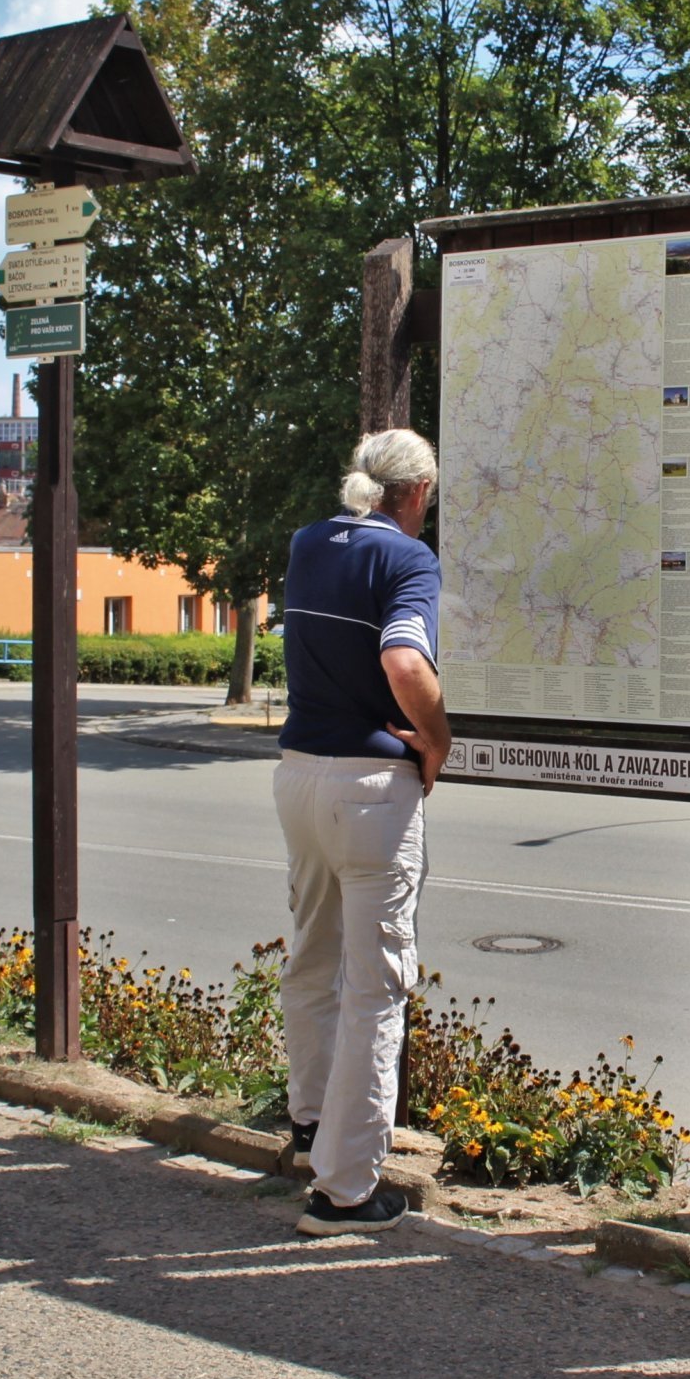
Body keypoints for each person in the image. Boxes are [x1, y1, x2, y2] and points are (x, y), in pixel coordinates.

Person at [273, 428, 450, 1236]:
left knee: (311, 958)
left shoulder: (310, 543)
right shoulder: (407, 560)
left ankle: (309, 1124)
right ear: (413, 494)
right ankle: (344, 1190)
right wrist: (438, 739)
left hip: (300, 774)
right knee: (376, 988)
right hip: (371, 787)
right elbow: (405, 664)